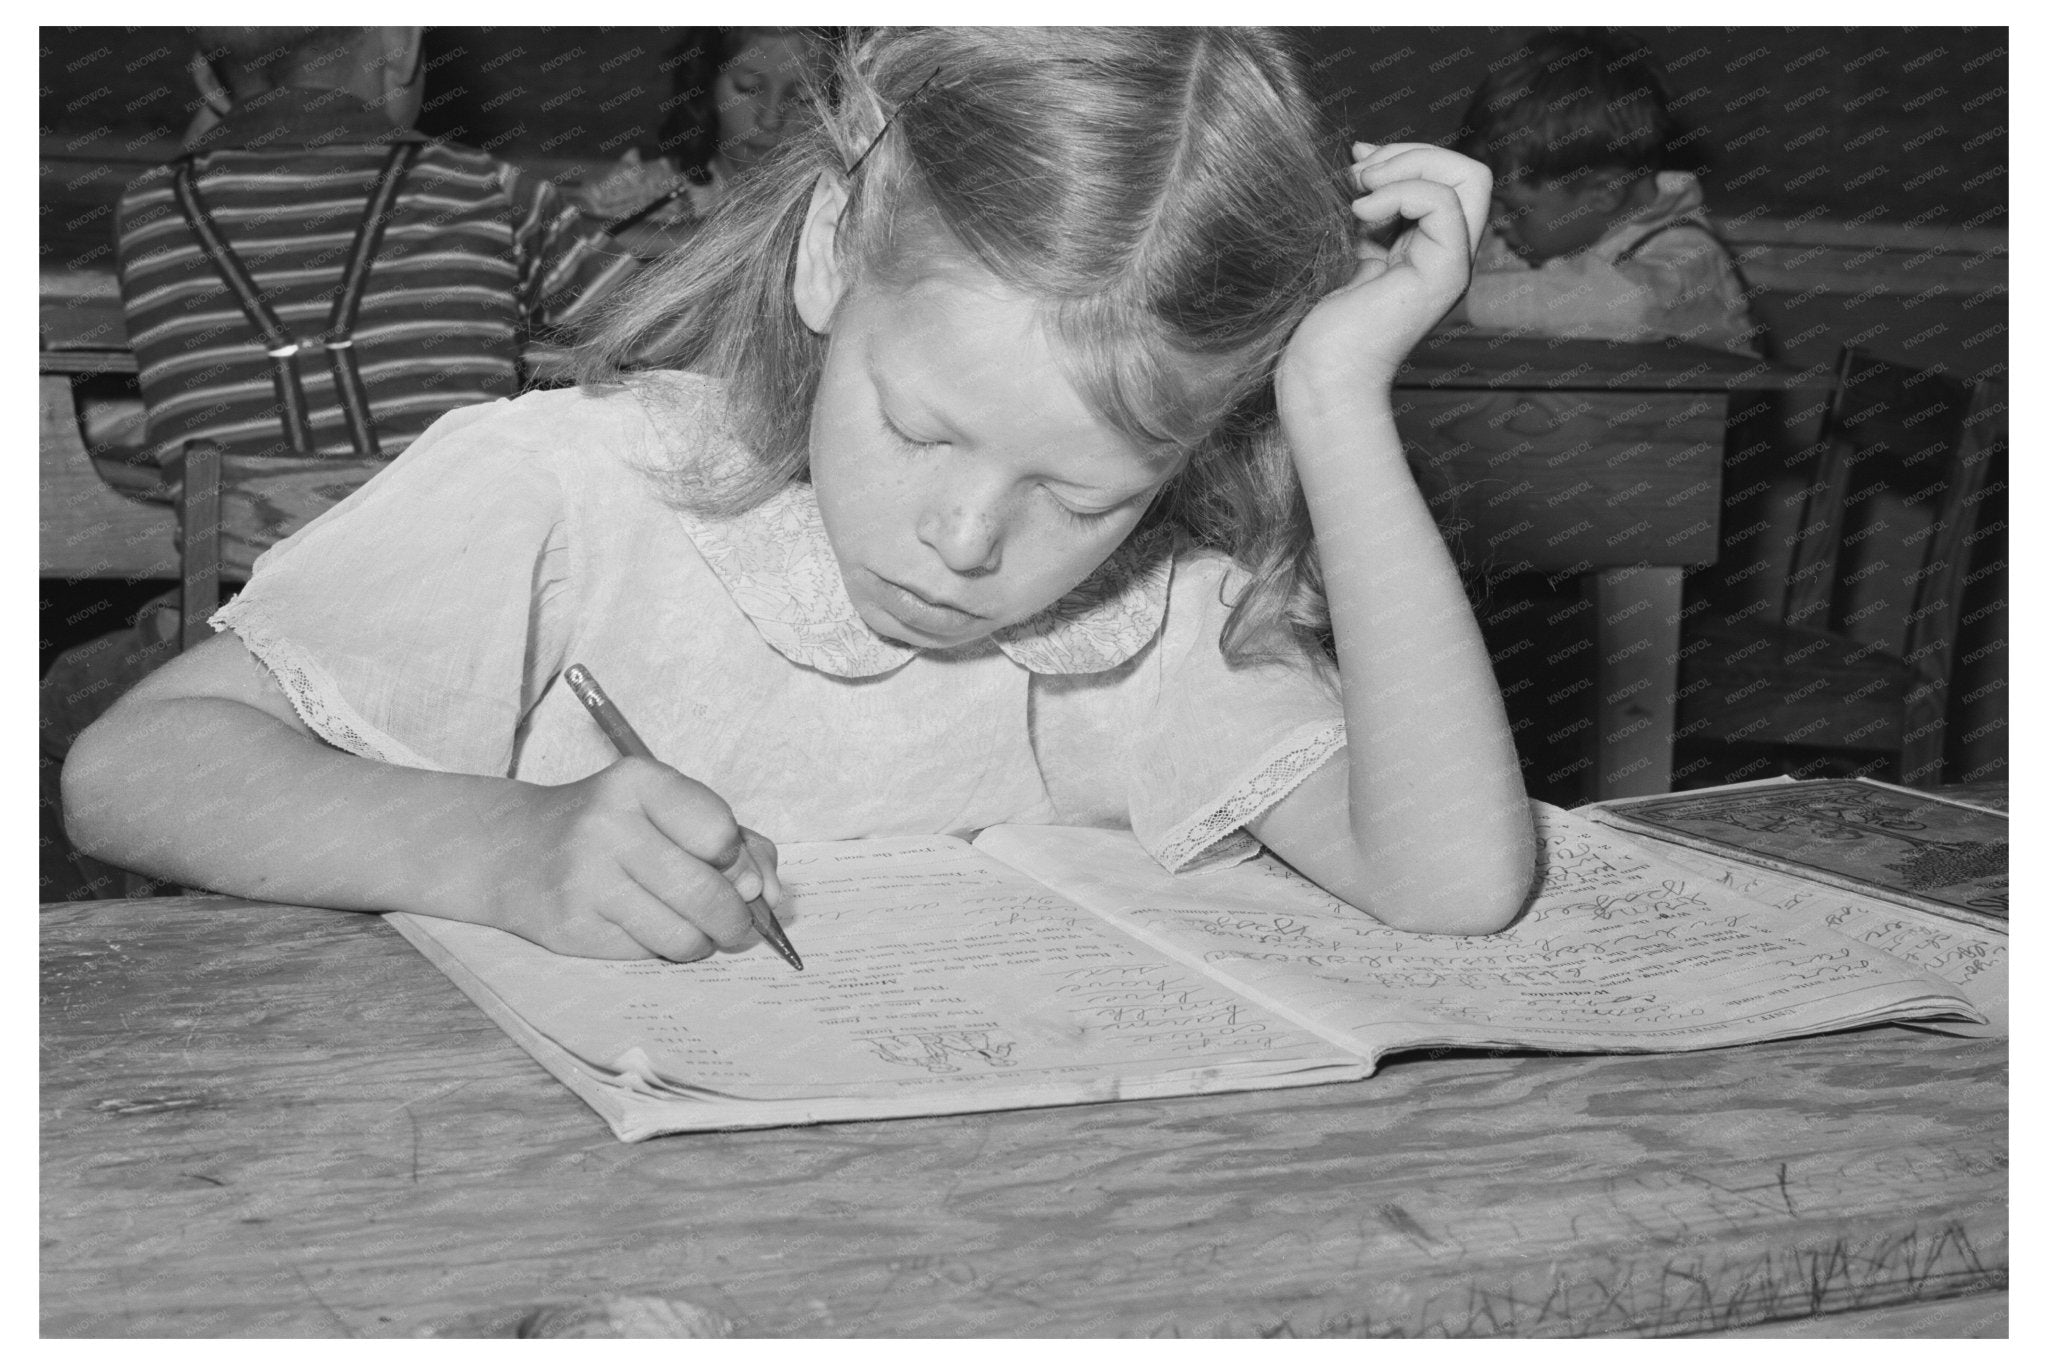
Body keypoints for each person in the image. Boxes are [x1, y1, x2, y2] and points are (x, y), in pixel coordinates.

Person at [65, 28, 1537, 959]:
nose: (967, 541)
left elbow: (1453, 878)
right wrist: (491, 843)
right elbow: (130, 770)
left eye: (1081, 496)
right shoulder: (570, 490)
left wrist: (1336, 401)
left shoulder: (1157, 610)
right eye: (918, 427)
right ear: (831, 251)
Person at [40, 24, 636, 900]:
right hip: (456, 642)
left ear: (212, 77)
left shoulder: (150, 208)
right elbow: (653, 321)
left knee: (61, 703)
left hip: (227, 631)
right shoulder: (493, 191)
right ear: (398, 49)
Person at [1449, 29, 1760, 352]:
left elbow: (1626, 306)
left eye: (1513, 209)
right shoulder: (1522, 234)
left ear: (1605, 192)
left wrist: (1453, 305)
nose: (1495, 221)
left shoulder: (1687, 253)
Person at [581, 28, 827, 234]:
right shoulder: (640, 195)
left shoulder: (845, 210)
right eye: (749, 88)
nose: (771, 120)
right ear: (706, 86)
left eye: (804, 99)